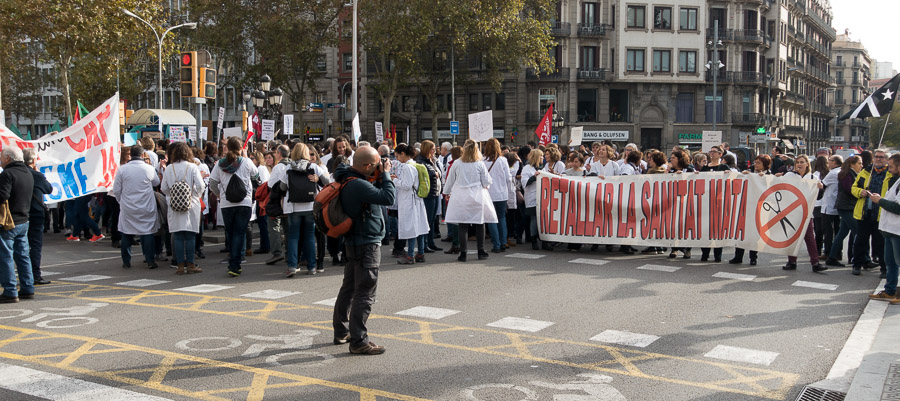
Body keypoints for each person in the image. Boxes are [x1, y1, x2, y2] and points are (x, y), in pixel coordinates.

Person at [331, 146, 395, 355]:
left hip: (354, 241)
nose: (379, 167)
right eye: (376, 165)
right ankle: (359, 340)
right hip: (365, 242)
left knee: (349, 288)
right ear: (367, 166)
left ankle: (342, 331)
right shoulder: (358, 184)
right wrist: (385, 175)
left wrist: (378, 175)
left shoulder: (348, 178)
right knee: (365, 291)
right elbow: (388, 198)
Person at [209, 137, 259, 277]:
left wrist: (219, 195)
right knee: (240, 232)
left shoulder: (219, 164)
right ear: (241, 147)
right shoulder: (247, 162)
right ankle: (235, 265)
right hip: (244, 202)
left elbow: (212, 183)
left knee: (230, 233)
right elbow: (257, 177)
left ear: (228, 148)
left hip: (226, 203)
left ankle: (233, 261)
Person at [277, 143, 329, 276]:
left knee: (293, 236)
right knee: (309, 236)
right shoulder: (313, 167)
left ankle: (292, 266)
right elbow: (327, 182)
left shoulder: (288, 167)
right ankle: (312, 267)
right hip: (310, 205)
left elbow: (282, 187)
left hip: (293, 207)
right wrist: (317, 179)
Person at [443, 139, 497, 262]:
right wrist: (485, 185)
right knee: (479, 223)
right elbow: (487, 181)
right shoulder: (479, 163)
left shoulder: (457, 163)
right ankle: (481, 250)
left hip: (461, 196)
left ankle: (463, 253)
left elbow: (450, 180)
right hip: (477, 195)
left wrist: (446, 192)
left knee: (463, 225)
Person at [160, 142, 205, 275]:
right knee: (190, 235)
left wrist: (173, 195)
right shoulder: (192, 167)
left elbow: (164, 188)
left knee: (178, 235)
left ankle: (180, 265)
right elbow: (200, 185)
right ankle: (190, 264)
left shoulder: (169, 168)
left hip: (175, 205)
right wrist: (195, 194)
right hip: (191, 204)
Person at [113, 145, 160, 269]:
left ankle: (126, 261)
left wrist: (121, 201)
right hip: (146, 205)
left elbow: (116, 190)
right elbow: (156, 183)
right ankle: (150, 260)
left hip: (128, 205)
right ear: (142, 155)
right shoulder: (148, 168)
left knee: (126, 232)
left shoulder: (122, 169)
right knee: (147, 232)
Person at [0, 147, 35, 303]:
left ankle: (10, 291)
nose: (1, 160)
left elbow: (2, 195)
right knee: (23, 256)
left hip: (8, 222)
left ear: (8, 158)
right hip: (24, 219)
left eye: (1, 157)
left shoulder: (7, 174)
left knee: (6, 257)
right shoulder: (28, 172)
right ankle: (28, 288)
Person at [783, 155, 827, 272]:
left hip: (806, 213)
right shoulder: (789, 176)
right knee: (792, 238)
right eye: (797, 162)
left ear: (807, 164)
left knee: (809, 238)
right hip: (792, 212)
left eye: (802, 162)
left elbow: (818, 197)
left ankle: (815, 262)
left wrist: (820, 188)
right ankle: (791, 261)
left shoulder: (813, 177)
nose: (799, 164)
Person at [851, 149, 891, 273]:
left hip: (881, 213)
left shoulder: (890, 174)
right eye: (876, 157)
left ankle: (884, 268)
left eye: (881, 157)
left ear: (886, 160)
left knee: (880, 243)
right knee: (860, 241)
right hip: (865, 212)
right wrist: (860, 192)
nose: (878, 159)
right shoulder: (865, 171)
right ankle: (857, 265)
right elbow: (854, 187)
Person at [867, 153, 900, 302]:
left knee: (898, 262)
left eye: (891, 166)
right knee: (890, 262)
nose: (889, 169)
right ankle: (890, 290)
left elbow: (898, 208)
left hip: (897, 230)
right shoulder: (894, 181)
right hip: (889, 229)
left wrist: (880, 201)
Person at [729, 155, 771, 265]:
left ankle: (753, 257)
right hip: (746, 207)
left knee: (755, 233)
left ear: (765, 165)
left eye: (759, 163)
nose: (756, 165)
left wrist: (764, 178)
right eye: (755, 162)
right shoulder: (749, 174)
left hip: (760, 208)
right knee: (741, 232)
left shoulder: (770, 176)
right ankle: (738, 256)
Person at [392, 144, 430, 264]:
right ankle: (421, 253)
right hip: (416, 199)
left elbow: (407, 185)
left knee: (411, 227)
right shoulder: (414, 164)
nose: (397, 159)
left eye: (398, 156)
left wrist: (394, 180)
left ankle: (410, 256)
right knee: (419, 227)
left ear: (403, 154)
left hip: (409, 200)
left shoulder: (407, 167)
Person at [826, 155, 864, 273]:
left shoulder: (849, 173)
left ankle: (832, 256)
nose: (861, 166)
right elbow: (850, 189)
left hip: (847, 206)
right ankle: (862, 258)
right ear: (852, 164)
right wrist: (860, 192)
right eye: (859, 163)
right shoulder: (847, 174)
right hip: (845, 207)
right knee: (858, 231)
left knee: (842, 232)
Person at [23, 149, 52, 285]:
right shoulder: (37, 175)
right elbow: (49, 189)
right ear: (33, 161)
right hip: (35, 214)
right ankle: (35, 275)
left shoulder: (12, 173)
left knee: (19, 246)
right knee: (35, 246)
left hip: (19, 214)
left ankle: (22, 275)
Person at [699, 146, 730, 262]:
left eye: (714, 152)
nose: (711, 154)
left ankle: (718, 254)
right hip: (706, 202)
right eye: (710, 151)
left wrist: (728, 174)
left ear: (720, 154)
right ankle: (705, 253)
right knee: (705, 228)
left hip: (719, 202)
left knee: (717, 229)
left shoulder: (724, 167)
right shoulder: (705, 168)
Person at [483, 138, 511, 253]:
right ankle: (503, 241)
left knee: (491, 219)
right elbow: (508, 178)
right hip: (501, 194)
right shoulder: (502, 160)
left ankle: (496, 244)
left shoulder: (482, 160)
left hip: (488, 194)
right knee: (501, 217)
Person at [265, 145, 291, 266]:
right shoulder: (292, 164)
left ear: (279, 154)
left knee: (274, 225)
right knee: (288, 228)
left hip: (278, 201)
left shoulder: (278, 167)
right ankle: (289, 253)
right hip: (290, 201)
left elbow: (271, 186)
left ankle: (276, 252)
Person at [416, 140, 443, 252]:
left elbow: (439, 174)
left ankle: (431, 242)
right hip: (428, 193)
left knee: (432, 219)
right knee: (427, 219)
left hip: (435, 192)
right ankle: (425, 243)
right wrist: (435, 173)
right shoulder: (421, 161)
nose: (434, 151)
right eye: (432, 149)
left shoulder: (433, 160)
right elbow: (426, 175)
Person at [522, 149, 544, 250]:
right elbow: (524, 183)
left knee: (542, 219)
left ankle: (543, 240)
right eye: (541, 156)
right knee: (534, 219)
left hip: (542, 197)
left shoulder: (542, 168)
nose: (542, 158)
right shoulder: (527, 168)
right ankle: (534, 240)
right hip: (532, 197)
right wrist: (534, 177)